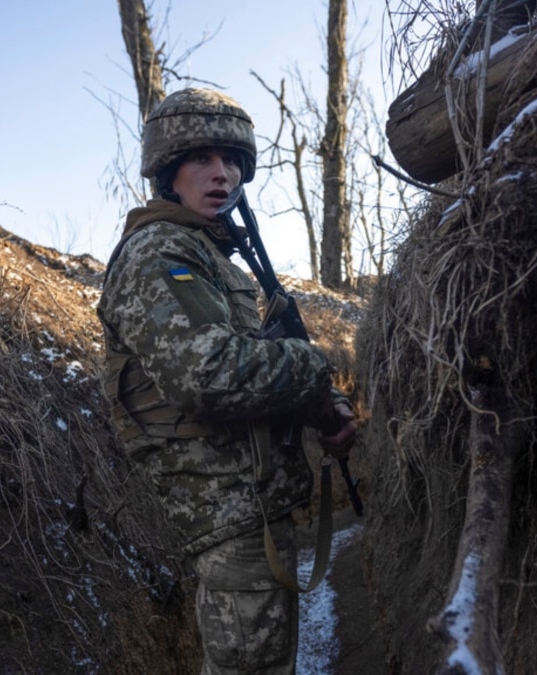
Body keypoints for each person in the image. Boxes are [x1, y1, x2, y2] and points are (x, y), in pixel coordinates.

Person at [96, 87, 357, 674]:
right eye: (203, 159)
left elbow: (259, 364)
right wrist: (315, 369)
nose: (223, 174)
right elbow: (210, 375)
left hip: (252, 505)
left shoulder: (213, 257)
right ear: (169, 172)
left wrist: (324, 407)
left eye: (233, 161)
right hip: (227, 514)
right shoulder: (160, 254)